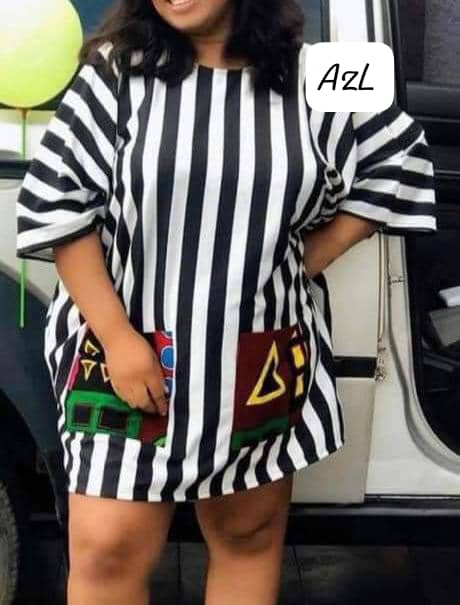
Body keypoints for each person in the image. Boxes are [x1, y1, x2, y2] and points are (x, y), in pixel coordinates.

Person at [15, 0, 437, 603]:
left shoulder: (317, 72)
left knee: (248, 536)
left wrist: (306, 259)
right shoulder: (115, 72)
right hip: (126, 353)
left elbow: (397, 158)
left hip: (255, 362)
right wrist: (116, 338)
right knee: (107, 549)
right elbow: (59, 205)